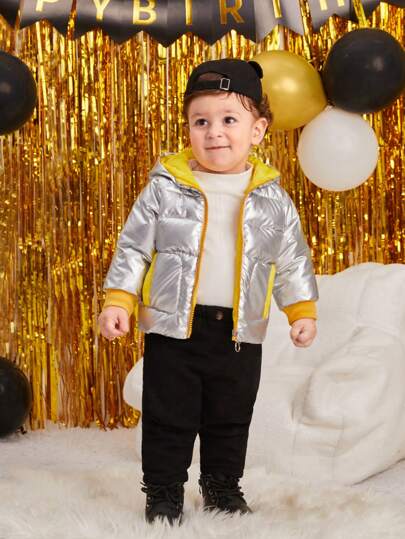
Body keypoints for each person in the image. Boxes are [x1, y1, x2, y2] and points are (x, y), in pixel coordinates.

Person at [98, 58, 319, 526]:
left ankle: (222, 486)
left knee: (230, 417)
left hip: (238, 333)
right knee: (167, 416)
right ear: (189, 129)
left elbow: (292, 257)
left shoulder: (272, 198)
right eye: (201, 121)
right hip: (174, 328)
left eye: (229, 120)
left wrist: (300, 309)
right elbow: (134, 247)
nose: (214, 132)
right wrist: (119, 299)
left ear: (257, 130)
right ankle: (163, 491)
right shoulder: (166, 187)